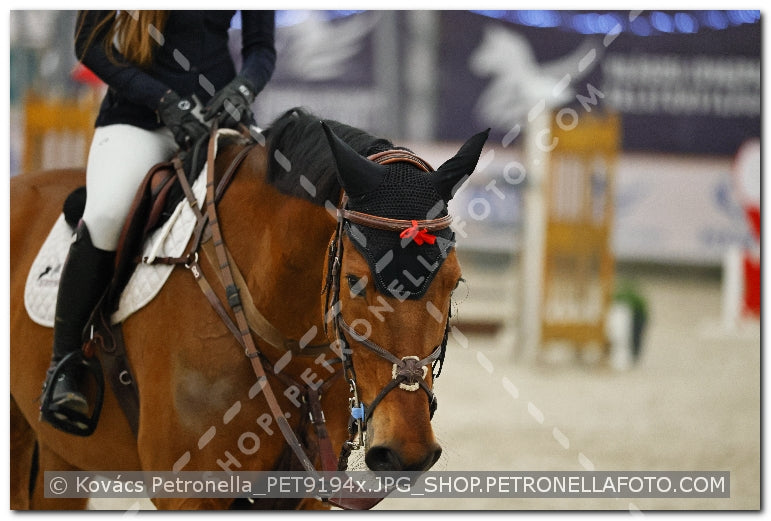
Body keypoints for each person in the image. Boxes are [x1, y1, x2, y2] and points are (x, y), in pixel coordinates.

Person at [41, 10, 276, 433]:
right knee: (108, 213)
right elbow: (89, 45)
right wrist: (162, 100)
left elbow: (261, 49)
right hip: (138, 119)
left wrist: (242, 89)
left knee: (270, 207)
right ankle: (67, 365)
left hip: (219, 117)